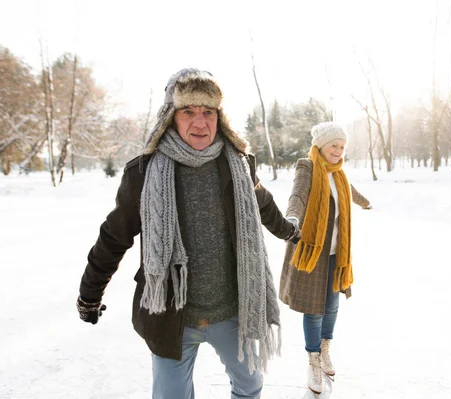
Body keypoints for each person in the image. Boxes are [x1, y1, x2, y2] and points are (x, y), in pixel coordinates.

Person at [76, 68, 301, 399]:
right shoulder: (143, 173)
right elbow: (113, 238)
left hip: (232, 313)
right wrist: (90, 294)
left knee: (250, 386)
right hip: (171, 317)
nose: (200, 122)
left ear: (219, 117)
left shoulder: (238, 165)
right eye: (188, 111)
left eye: (208, 112)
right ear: (170, 116)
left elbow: (264, 206)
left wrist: (289, 232)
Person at [279, 122, 372, 394]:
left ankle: (324, 348)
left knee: (332, 307)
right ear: (321, 144)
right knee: (314, 309)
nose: (339, 151)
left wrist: (365, 202)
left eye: (342, 147)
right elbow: (298, 194)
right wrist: (292, 218)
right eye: (334, 145)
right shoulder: (306, 167)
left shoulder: (339, 173)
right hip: (311, 251)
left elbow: (349, 191)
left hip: (335, 254)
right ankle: (313, 360)